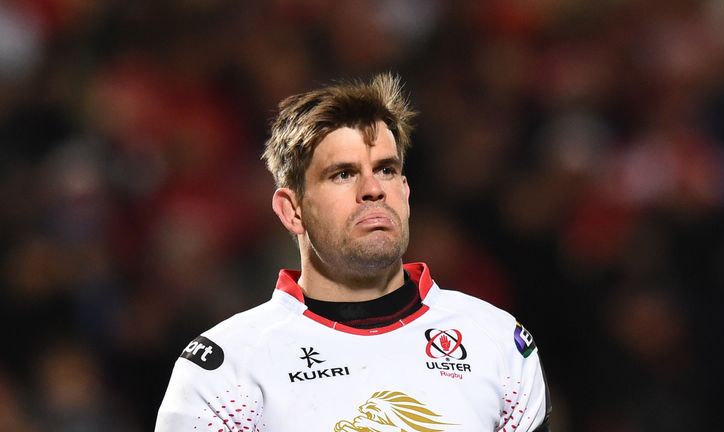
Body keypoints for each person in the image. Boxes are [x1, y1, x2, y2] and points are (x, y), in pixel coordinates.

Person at [155, 73, 552, 431]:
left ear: (406, 193)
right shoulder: (226, 372)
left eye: (386, 169)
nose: (373, 189)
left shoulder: (499, 343)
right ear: (292, 210)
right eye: (343, 174)